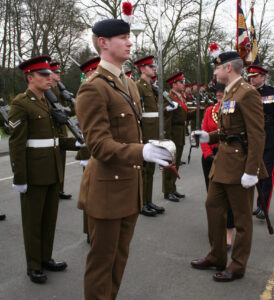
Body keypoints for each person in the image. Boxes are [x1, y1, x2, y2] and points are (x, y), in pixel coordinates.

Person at [75, 19, 172, 299]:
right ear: (103, 43)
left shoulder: (127, 84)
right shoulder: (94, 87)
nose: (130, 42)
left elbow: (133, 132)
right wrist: (141, 152)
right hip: (106, 190)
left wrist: (152, 148)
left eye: (129, 37)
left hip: (130, 186)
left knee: (119, 261)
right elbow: (99, 145)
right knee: (102, 264)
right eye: (122, 37)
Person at [191, 51, 267, 282]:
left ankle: (237, 265)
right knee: (212, 206)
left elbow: (257, 135)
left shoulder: (247, 93)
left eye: (216, 68)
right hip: (223, 163)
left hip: (240, 165)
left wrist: (251, 171)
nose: (214, 73)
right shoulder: (230, 94)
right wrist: (209, 137)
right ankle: (216, 255)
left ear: (228, 69)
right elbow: (229, 131)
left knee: (242, 219)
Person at [8, 55, 80, 284]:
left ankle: (46, 257)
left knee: (49, 220)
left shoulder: (48, 102)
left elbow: (57, 140)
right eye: (44, 75)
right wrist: (20, 177)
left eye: (50, 74)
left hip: (52, 170)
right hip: (34, 173)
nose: (50, 78)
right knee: (33, 223)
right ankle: (34, 265)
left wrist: (76, 143)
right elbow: (17, 144)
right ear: (30, 77)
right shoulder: (21, 103)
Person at [248, 65, 274, 219]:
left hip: (271, 136)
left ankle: (263, 206)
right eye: (250, 76)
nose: (251, 78)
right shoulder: (248, 92)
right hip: (254, 137)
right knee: (257, 173)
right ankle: (260, 204)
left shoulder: (273, 92)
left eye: (255, 76)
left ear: (262, 77)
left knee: (268, 173)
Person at [200, 83, 235, 250]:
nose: (220, 94)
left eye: (223, 92)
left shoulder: (233, 109)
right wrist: (207, 154)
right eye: (218, 92)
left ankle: (229, 232)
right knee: (212, 197)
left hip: (227, 156)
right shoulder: (209, 111)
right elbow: (204, 133)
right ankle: (216, 229)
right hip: (210, 157)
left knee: (229, 196)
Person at [134, 55, 165, 217]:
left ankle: (148, 200)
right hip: (146, 131)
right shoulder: (138, 86)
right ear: (142, 69)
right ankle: (141, 202)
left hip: (153, 131)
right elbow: (138, 113)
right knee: (144, 169)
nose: (154, 69)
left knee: (151, 168)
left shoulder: (150, 86)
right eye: (151, 67)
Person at [75, 56, 101, 243]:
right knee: (90, 194)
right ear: (90, 73)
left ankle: (98, 229)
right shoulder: (86, 91)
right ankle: (90, 232)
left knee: (101, 192)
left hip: (102, 147)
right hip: (90, 149)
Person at [49, 61, 73, 200]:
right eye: (56, 73)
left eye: (59, 72)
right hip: (52, 129)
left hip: (62, 129)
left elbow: (66, 111)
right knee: (53, 163)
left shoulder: (59, 89)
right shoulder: (47, 89)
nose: (58, 75)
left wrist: (69, 101)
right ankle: (53, 189)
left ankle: (60, 189)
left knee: (62, 161)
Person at [163, 72, 187, 202]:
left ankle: (173, 187)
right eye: (181, 82)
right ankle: (167, 190)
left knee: (176, 162)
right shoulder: (170, 98)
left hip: (180, 131)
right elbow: (167, 119)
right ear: (174, 84)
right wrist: (167, 136)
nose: (183, 84)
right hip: (173, 132)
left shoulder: (180, 97)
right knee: (170, 162)